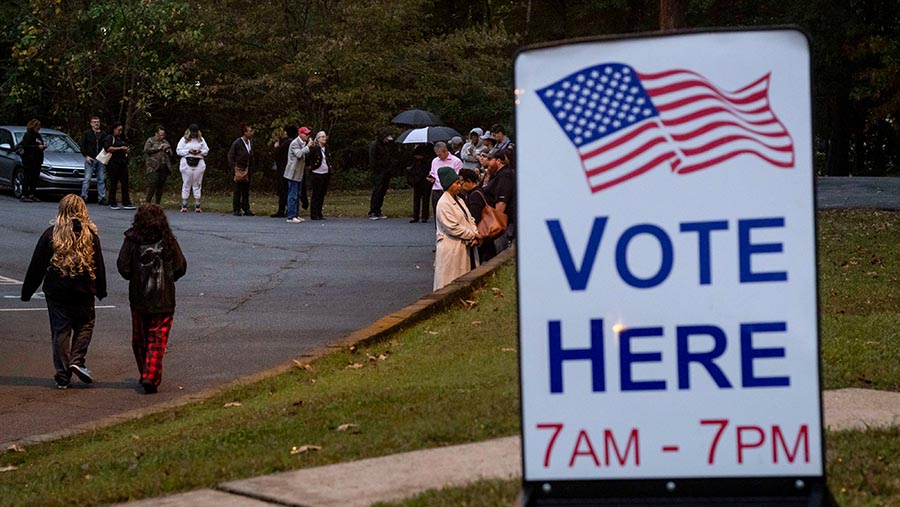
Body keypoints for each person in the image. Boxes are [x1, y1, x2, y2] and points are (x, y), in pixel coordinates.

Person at [22, 194, 107, 389]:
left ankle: (62, 375)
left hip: (57, 291)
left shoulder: (51, 234)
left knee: (61, 331)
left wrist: (27, 292)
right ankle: (77, 358)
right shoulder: (90, 236)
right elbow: (98, 265)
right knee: (85, 325)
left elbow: (37, 265)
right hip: (84, 291)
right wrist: (101, 290)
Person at [117, 204, 187, 394]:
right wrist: (170, 277)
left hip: (139, 298)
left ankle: (145, 372)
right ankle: (151, 375)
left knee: (139, 340)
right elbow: (181, 266)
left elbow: (123, 267)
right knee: (157, 339)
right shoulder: (168, 239)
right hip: (164, 298)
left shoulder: (132, 239)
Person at [433, 166, 481, 290]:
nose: (460, 186)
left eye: (460, 183)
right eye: (456, 183)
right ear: (448, 185)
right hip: (451, 248)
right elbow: (452, 227)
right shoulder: (443, 203)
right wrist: (473, 235)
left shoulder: (460, 199)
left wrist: (475, 232)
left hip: (465, 245)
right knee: (449, 282)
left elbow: (470, 219)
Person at [459, 168, 496, 262]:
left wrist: (475, 235)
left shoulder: (474, 196)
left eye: (462, 182)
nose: (460, 185)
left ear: (469, 181)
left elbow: (475, 217)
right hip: (486, 234)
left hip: (482, 235)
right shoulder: (478, 191)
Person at [483, 149, 516, 253]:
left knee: (500, 252)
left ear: (498, 161)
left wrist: (495, 225)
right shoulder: (497, 174)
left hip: (503, 224)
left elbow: (501, 202)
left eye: (490, 159)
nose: (487, 162)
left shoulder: (505, 175)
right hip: (498, 221)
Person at [175, 124, 210, 213]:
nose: (193, 135)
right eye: (192, 133)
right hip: (187, 162)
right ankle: (184, 204)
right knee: (186, 182)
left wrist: (199, 151)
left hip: (199, 162)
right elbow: (178, 151)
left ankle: (197, 204)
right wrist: (188, 151)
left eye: (195, 133)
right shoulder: (184, 140)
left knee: (197, 183)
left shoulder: (201, 140)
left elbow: (206, 151)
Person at [427, 141, 463, 225]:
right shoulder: (435, 161)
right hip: (437, 189)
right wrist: (431, 177)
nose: (438, 156)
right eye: (437, 154)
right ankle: (439, 232)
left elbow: (458, 176)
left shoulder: (456, 161)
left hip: (450, 190)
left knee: (451, 213)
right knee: (437, 213)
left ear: (445, 151)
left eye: (440, 154)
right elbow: (433, 173)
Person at [285, 126, 313, 223]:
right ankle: (291, 216)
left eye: (308, 134)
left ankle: (295, 214)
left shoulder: (303, 143)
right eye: (305, 134)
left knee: (297, 194)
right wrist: (308, 147)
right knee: (292, 194)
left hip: (299, 172)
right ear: (300, 134)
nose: (307, 136)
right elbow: (299, 154)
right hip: (293, 172)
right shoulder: (294, 143)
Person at [104, 122, 135, 210]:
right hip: (113, 163)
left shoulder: (122, 138)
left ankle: (126, 202)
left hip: (123, 162)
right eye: (119, 130)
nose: (120, 132)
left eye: (121, 130)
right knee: (114, 183)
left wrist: (126, 150)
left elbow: (126, 146)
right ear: (114, 129)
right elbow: (108, 148)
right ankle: (112, 202)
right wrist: (120, 148)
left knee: (125, 182)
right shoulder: (110, 138)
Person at [228, 123, 255, 216]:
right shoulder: (237, 143)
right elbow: (231, 156)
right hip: (239, 169)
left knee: (246, 190)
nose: (252, 133)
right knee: (237, 190)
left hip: (248, 169)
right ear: (245, 132)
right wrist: (234, 167)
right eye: (250, 131)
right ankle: (236, 209)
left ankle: (246, 208)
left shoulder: (250, 142)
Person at [368, 130, 396, 220]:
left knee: (383, 191)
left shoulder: (387, 146)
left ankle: (378, 210)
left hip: (386, 171)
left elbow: (389, 157)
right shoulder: (375, 145)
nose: (387, 140)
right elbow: (372, 159)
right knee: (377, 191)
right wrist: (377, 169)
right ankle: (372, 211)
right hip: (378, 172)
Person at [80, 116, 108, 205]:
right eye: (94, 122)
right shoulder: (87, 134)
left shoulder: (103, 134)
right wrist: (86, 156)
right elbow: (82, 146)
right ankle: (84, 196)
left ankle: (102, 197)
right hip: (90, 158)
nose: (96, 124)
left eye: (98, 122)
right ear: (91, 123)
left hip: (100, 159)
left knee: (101, 179)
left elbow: (106, 146)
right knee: (87, 178)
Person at [143, 126, 172, 205]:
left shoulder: (165, 142)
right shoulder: (150, 140)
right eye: (160, 135)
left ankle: (157, 203)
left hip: (163, 166)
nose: (162, 137)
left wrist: (167, 150)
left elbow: (171, 153)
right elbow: (146, 150)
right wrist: (158, 148)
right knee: (152, 184)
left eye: (163, 135)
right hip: (153, 167)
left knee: (161, 185)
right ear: (156, 133)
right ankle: (147, 202)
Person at [271, 126, 296, 218]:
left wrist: (276, 147)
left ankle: (282, 209)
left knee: (283, 190)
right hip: (289, 168)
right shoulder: (294, 142)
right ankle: (289, 209)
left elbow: (277, 154)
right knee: (289, 190)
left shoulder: (286, 143)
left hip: (283, 169)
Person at [19, 119, 46, 202]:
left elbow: (40, 143)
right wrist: (37, 147)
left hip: (37, 159)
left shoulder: (38, 136)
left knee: (35, 178)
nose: (39, 128)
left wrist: (43, 146)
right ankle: (24, 194)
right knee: (27, 177)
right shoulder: (28, 135)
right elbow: (26, 146)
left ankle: (32, 193)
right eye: (37, 126)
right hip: (29, 159)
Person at [307, 130, 330, 220]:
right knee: (316, 194)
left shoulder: (326, 148)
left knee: (322, 194)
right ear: (318, 139)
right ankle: (314, 213)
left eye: (325, 136)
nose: (324, 138)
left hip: (325, 173)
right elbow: (308, 158)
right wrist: (312, 167)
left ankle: (319, 212)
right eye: (322, 137)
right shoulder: (315, 148)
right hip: (317, 173)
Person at [407, 143, 433, 223]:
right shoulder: (416, 148)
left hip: (426, 175)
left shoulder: (430, 148)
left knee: (425, 198)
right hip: (417, 176)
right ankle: (416, 216)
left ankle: (425, 216)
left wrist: (423, 158)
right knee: (416, 198)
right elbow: (410, 159)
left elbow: (431, 160)